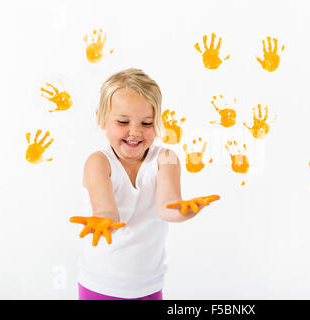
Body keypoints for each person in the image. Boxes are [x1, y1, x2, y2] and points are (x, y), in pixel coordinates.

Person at [70, 68, 220, 300]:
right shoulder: (98, 162)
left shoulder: (165, 158)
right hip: (99, 284)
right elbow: (107, 209)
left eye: (147, 122)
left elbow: (167, 206)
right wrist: (103, 219)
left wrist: (183, 210)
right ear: (101, 118)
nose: (135, 131)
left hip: (148, 286)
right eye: (123, 121)